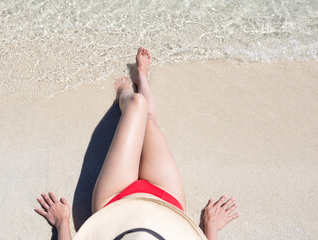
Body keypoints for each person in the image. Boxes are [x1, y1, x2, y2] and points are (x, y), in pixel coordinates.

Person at [35, 47, 239, 240]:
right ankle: (142, 77)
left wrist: (62, 221)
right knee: (148, 120)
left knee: (136, 104)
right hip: (167, 202)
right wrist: (210, 225)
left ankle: (123, 93)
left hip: (114, 200)